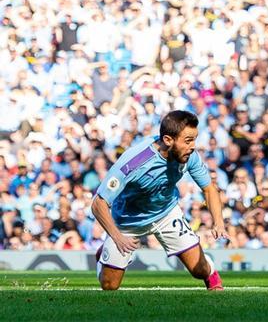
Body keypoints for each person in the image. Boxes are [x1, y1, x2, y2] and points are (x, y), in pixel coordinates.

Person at [91, 110, 228, 291]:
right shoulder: (133, 162)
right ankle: (104, 253)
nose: (193, 146)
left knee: (199, 270)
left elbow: (209, 189)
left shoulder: (189, 156)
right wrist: (117, 237)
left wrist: (218, 222)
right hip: (128, 221)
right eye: (188, 140)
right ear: (168, 140)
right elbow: (98, 203)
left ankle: (211, 275)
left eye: (194, 139)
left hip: (166, 214)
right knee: (109, 285)